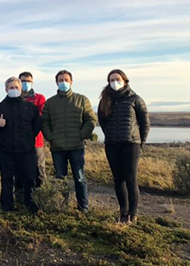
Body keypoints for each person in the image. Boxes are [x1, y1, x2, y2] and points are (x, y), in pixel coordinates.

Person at [97, 69, 150, 223]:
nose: (114, 82)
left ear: (125, 80)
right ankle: (123, 212)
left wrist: (141, 142)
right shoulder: (105, 100)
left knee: (131, 179)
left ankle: (133, 214)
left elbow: (145, 123)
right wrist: (110, 136)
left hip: (131, 144)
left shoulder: (135, 99)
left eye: (117, 79)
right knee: (118, 179)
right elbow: (102, 121)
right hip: (112, 144)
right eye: (111, 80)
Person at [41, 70, 97, 213]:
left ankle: (83, 208)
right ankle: (62, 207)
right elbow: (44, 122)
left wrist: (81, 135)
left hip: (76, 146)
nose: (63, 82)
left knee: (79, 178)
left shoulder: (82, 100)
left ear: (71, 82)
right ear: (56, 82)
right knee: (60, 179)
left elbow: (91, 120)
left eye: (66, 79)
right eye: (60, 80)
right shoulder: (50, 102)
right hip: (57, 147)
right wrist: (50, 137)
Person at [0, 77, 41, 213]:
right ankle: (7, 207)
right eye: (11, 88)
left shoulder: (30, 107)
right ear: (6, 90)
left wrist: (27, 138)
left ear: (21, 89)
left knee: (29, 179)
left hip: (26, 151)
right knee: (7, 180)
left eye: (16, 87)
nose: (14, 90)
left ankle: (31, 206)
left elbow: (37, 126)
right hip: (6, 151)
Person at [16, 71, 47, 203]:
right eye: (23, 81)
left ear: (32, 82)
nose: (25, 84)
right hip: (17, 141)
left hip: (36, 141)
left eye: (28, 81)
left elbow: (41, 117)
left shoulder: (39, 98)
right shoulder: (14, 98)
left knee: (39, 169)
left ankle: (42, 196)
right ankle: (20, 197)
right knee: (19, 169)